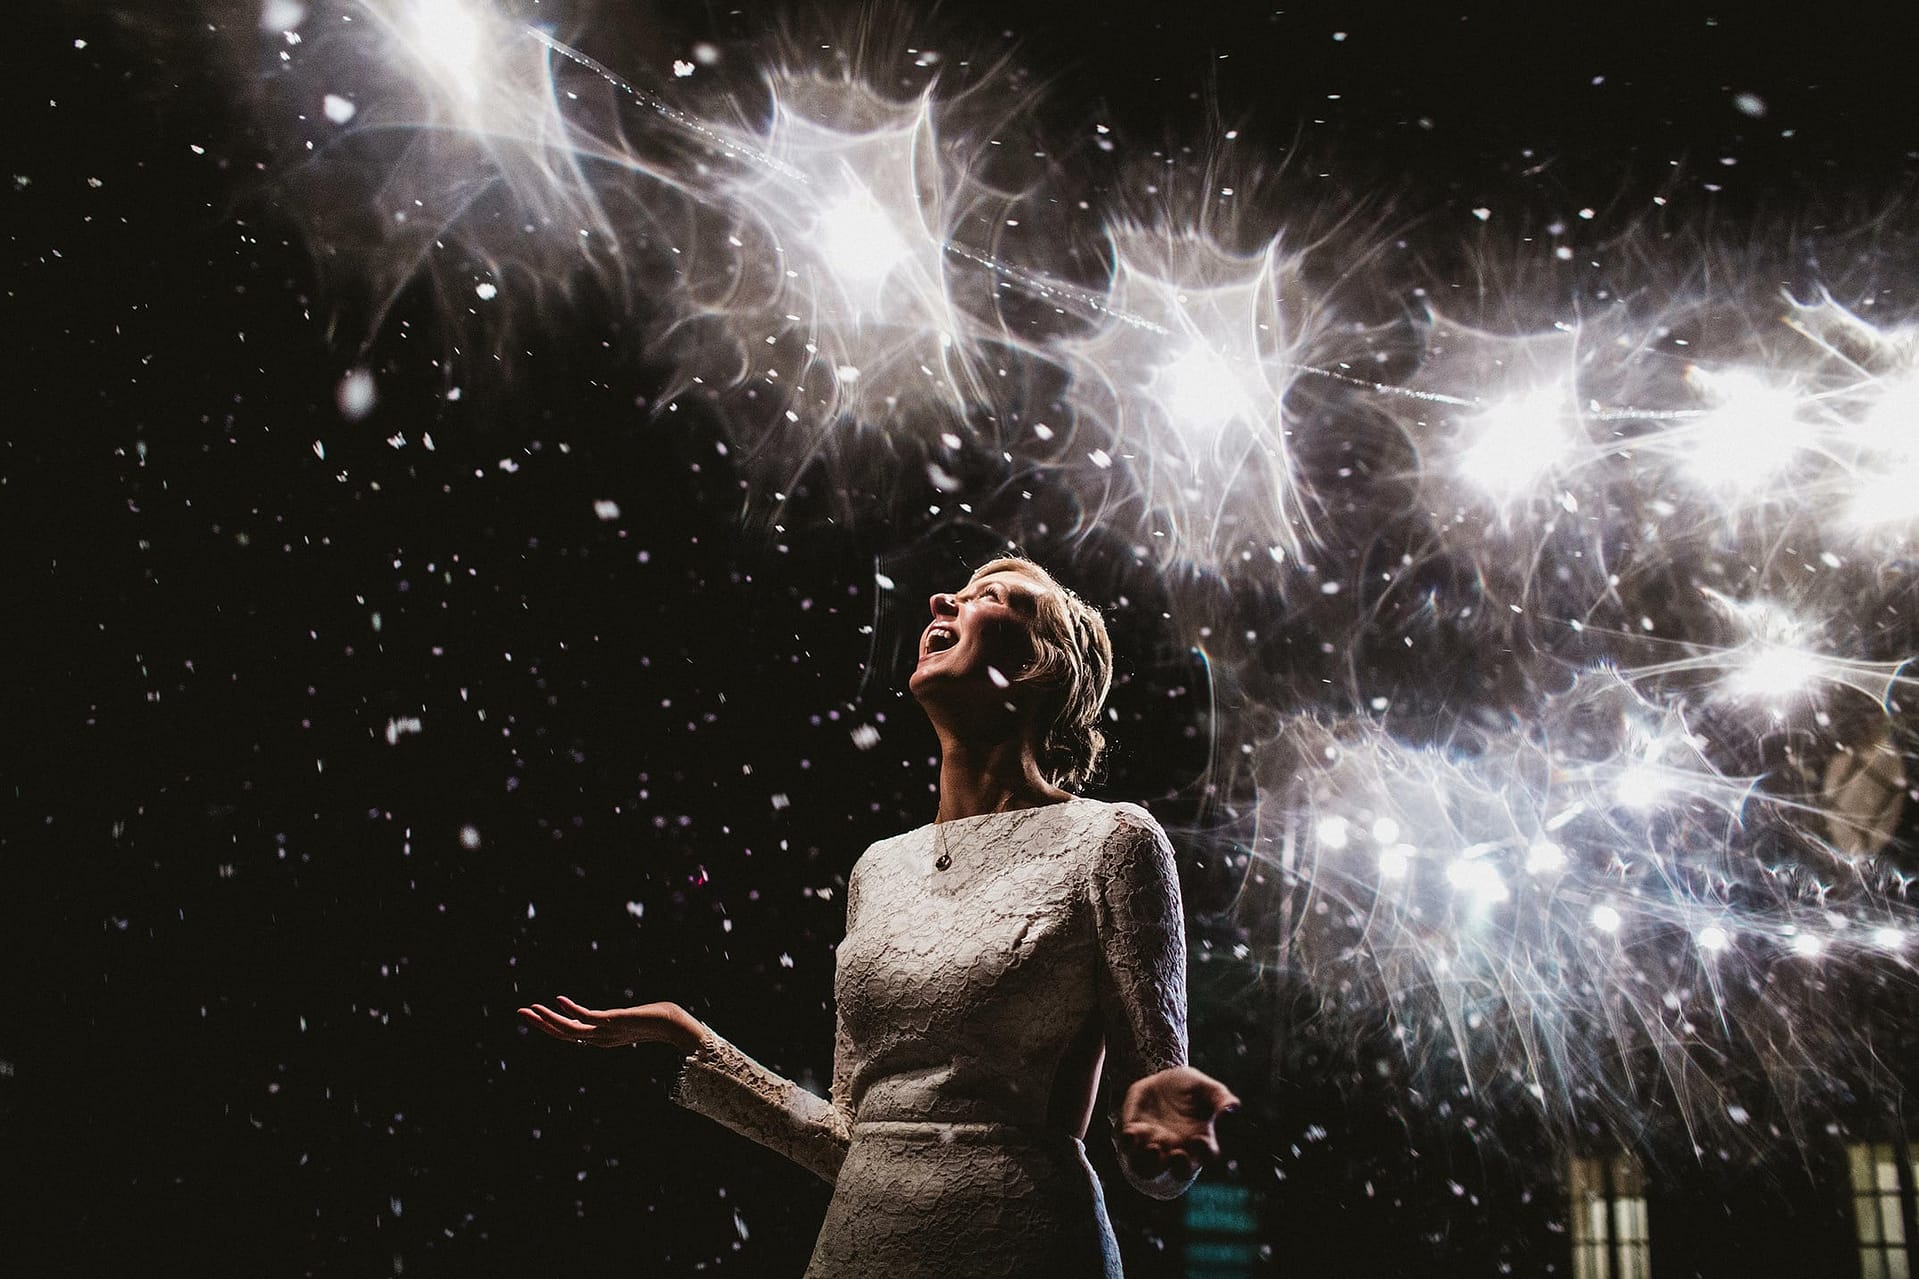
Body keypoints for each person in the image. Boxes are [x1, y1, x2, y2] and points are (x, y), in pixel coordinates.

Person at [519, 556, 1237, 1277]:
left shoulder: (1112, 840)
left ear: (1038, 666)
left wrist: (1158, 1141)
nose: (942, 600)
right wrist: (688, 1037)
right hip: (857, 1253)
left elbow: (1160, 1151)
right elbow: (847, 1141)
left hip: (1023, 1247)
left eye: (988, 597)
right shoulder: (877, 867)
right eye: (952, 592)